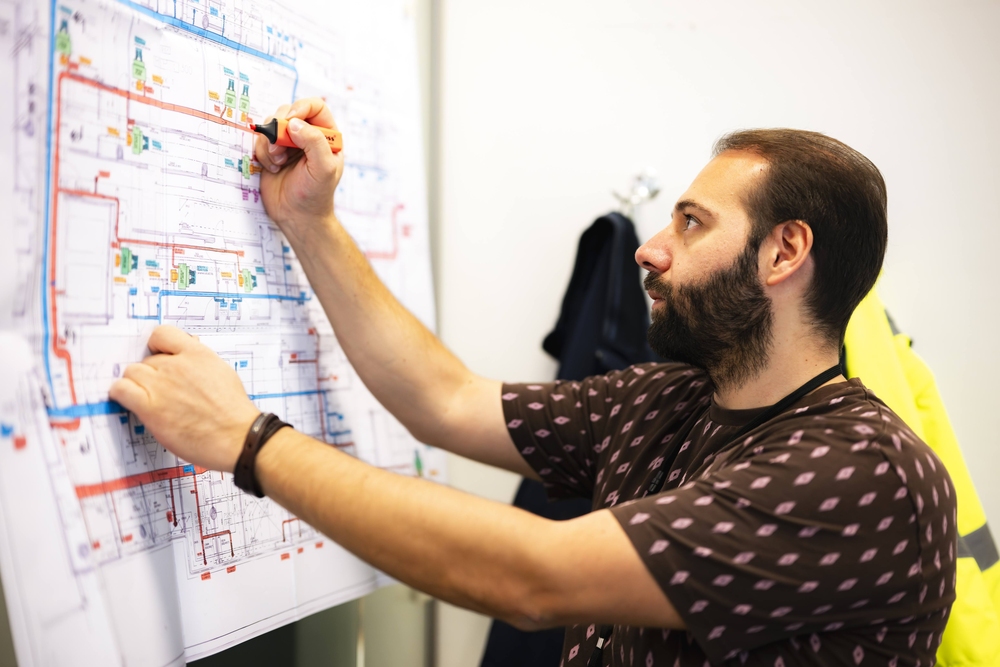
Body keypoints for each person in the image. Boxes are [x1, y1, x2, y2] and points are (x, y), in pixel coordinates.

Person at [109, 99, 956, 666]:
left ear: (784, 253)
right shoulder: (670, 397)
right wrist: (310, 221)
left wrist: (248, 443)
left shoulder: (863, 471)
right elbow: (444, 398)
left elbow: (532, 576)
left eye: (691, 223)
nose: (650, 247)